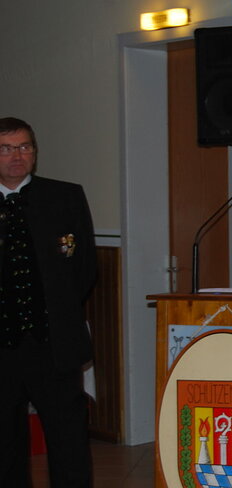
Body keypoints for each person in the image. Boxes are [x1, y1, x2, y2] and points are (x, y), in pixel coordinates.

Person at [0, 117, 97, 486]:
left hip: (54, 345)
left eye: (25, 147)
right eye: (6, 148)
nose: (16, 156)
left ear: (35, 152)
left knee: (68, 440)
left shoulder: (65, 196)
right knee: (5, 443)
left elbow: (85, 267)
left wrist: (59, 315)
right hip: (3, 350)